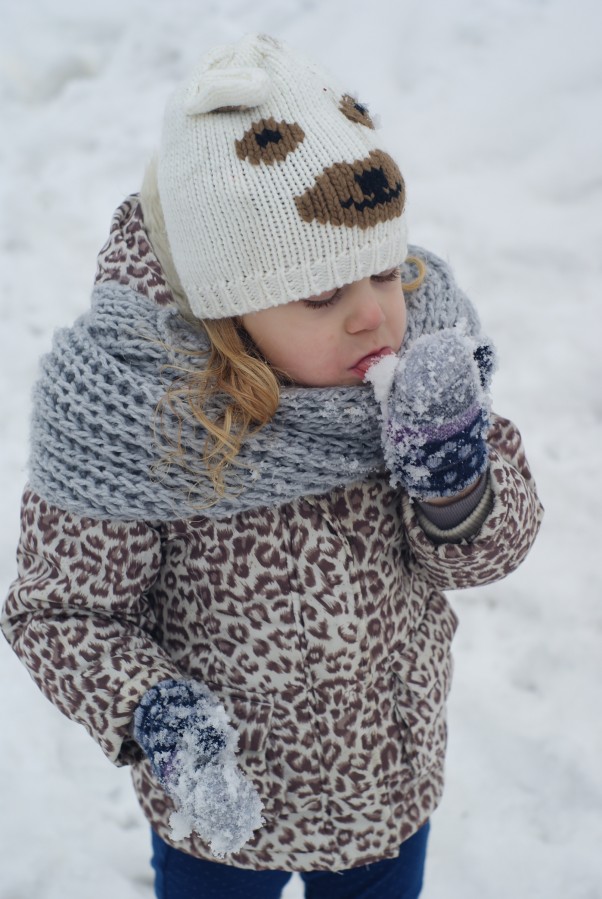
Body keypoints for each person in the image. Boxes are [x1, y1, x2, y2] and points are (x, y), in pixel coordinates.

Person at [1, 33, 543, 899]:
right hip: (221, 821)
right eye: (323, 296)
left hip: (384, 789)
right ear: (226, 311)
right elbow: (60, 611)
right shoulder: (134, 418)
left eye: (383, 271)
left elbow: (482, 554)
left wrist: (457, 486)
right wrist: (159, 716)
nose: (376, 318)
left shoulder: (426, 356)